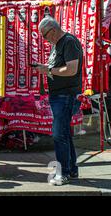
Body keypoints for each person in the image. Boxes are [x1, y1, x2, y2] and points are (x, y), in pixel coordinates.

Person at [35, 16, 83, 186]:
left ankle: (62, 173)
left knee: (59, 134)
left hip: (66, 95)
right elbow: (58, 68)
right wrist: (45, 69)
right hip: (60, 95)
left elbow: (71, 70)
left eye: (45, 35)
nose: (45, 39)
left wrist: (48, 70)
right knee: (64, 133)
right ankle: (72, 169)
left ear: (53, 30)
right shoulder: (58, 44)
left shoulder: (68, 42)